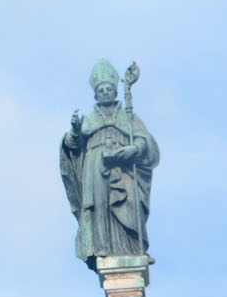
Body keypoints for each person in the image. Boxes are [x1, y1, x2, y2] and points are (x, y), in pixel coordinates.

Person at [60, 59, 159, 267]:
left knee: (129, 204)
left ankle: (132, 247)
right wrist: (76, 129)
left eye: (109, 89)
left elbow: (145, 141)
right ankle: (102, 247)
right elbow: (73, 144)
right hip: (95, 167)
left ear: (115, 92)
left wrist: (135, 148)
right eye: (101, 90)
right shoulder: (88, 120)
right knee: (100, 208)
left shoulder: (129, 117)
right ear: (96, 95)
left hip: (123, 167)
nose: (105, 92)